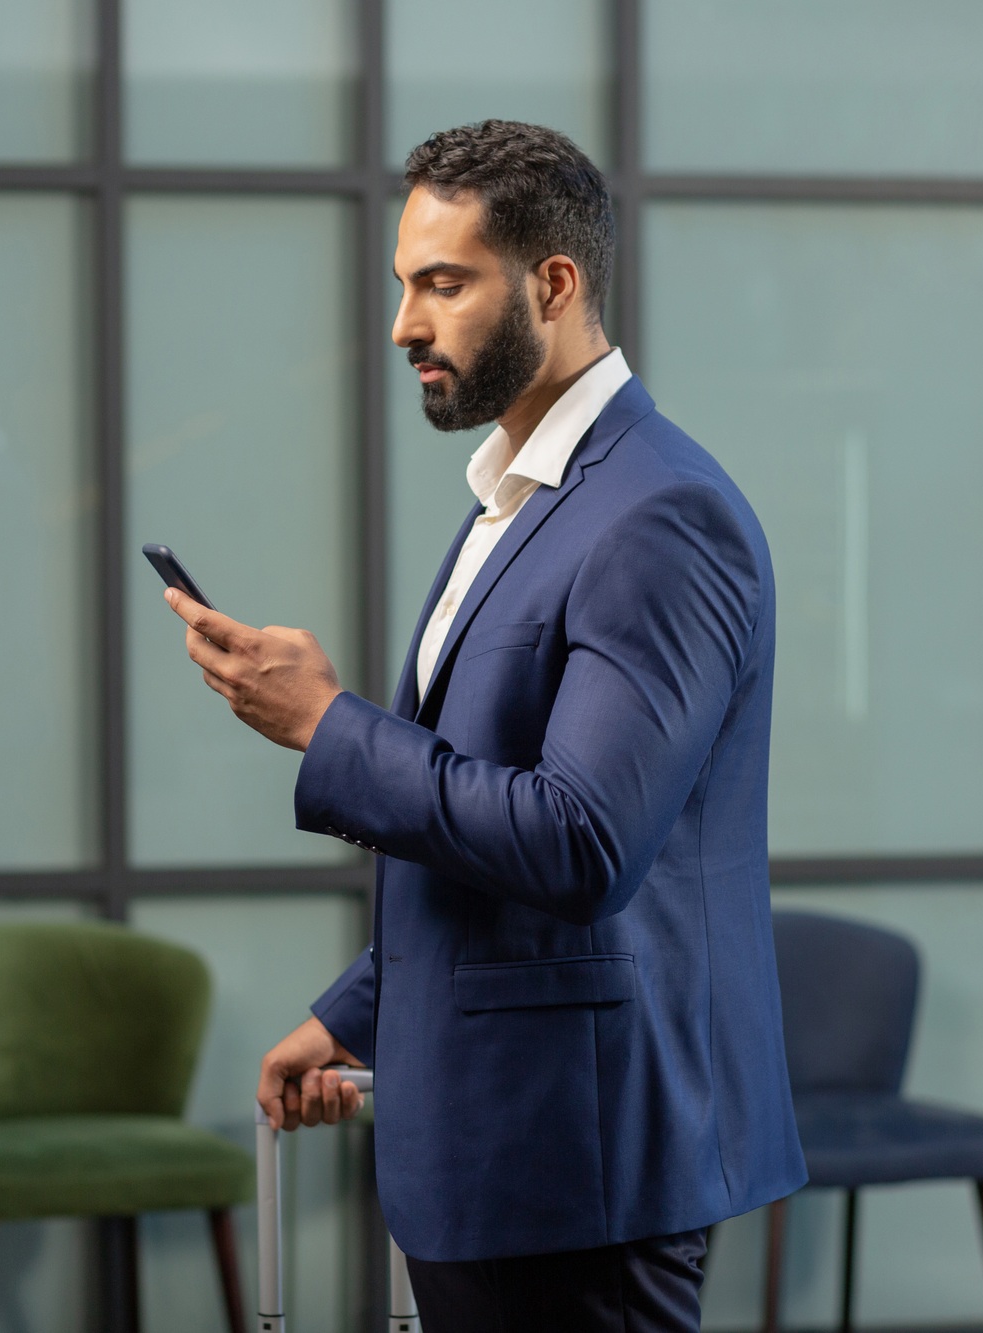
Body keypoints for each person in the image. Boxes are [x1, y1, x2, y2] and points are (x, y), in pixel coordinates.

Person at [163, 120, 805, 1332]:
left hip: (579, 1163)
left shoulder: (658, 515)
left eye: (442, 284)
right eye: (404, 284)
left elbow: (579, 841)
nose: (403, 324)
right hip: (506, 1146)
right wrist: (357, 1013)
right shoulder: (519, 500)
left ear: (552, 285)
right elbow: (493, 820)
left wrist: (328, 726)